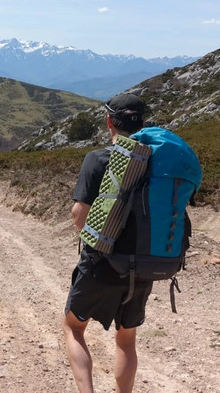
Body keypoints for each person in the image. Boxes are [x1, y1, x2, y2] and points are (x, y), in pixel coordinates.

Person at [63, 92, 151, 393]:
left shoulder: (99, 159)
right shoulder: (156, 162)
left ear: (109, 122)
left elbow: (79, 216)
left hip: (102, 263)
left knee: (74, 328)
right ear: (143, 123)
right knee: (126, 340)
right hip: (143, 266)